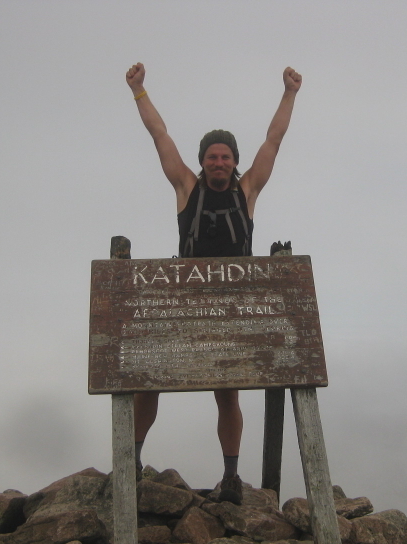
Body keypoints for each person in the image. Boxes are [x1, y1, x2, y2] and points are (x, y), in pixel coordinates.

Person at [125, 62, 302, 504]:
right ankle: (130, 460)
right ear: (202, 162)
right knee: (149, 384)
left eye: (225, 156)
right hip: (182, 308)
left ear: (234, 162)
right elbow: (160, 136)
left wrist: (289, 93)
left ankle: (230, 479)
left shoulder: (248, 191)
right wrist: (139, 91)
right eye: (211, 156)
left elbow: (274, 141)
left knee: (228, 395)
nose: (218, 162)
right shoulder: (187, 187)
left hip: (232, 314)